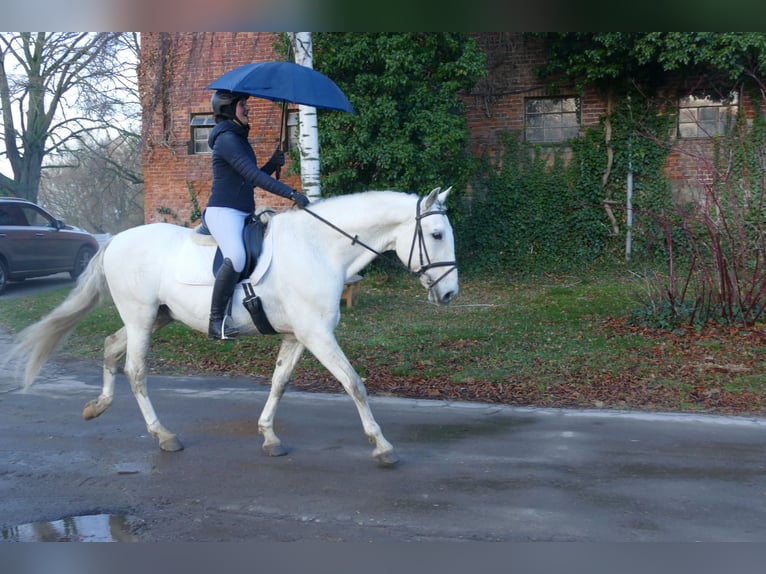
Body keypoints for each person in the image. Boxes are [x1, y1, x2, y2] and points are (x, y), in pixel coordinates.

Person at [204, 89, 310, 340]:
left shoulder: (238, 138)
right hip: (223, 212)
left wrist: (272, 165)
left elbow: (246, 181)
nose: (247, 109)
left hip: (242, 212)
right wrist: (291, 193)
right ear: (229, 110)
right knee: (237, 257)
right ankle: (216, 321)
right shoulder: (227, 140)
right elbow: (253, 177)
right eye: (242, 105)